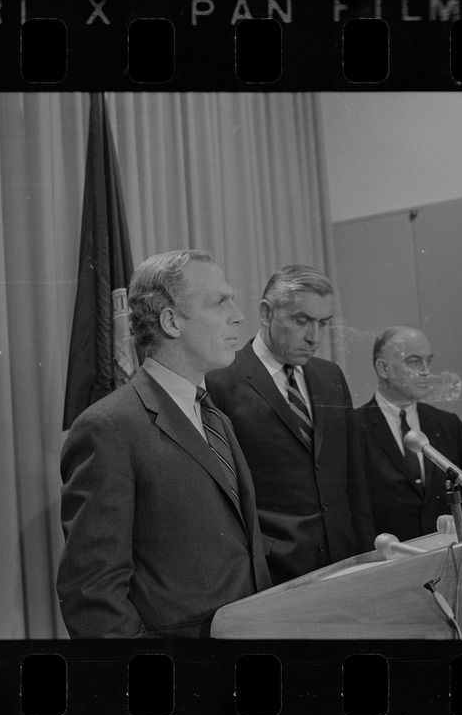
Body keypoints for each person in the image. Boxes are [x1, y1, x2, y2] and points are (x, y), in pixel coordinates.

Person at [56, 250, 271, 638]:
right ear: (171, 321)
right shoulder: (109, 427)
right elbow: (91, 592)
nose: (239, 316)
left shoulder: (215, 417)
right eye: (220, 302)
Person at [205, 265, 374, 585]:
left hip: (345, 560)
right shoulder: (220, 380)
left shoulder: (330, 376)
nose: (314, 337)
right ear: (267, 313)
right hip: (273, 570)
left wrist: (368, 554)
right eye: (301, 320)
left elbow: (354, 476)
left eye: (323, 324)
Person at [350, 325, 462, 542]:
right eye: (414, 361)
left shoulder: (448, 425)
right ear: (383, 369)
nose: (426, 371)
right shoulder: (352, 427)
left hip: (445, 550)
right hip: (386, 558)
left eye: (429, 361)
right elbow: (356, 510)